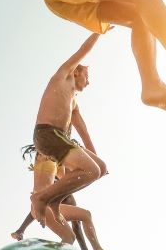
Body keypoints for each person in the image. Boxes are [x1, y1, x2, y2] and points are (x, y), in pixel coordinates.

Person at [29, 33, 109, 229]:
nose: (88, 82)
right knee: (92, 170)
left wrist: (94, 156)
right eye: (87, 77)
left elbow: (83, 130)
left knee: (100, 168)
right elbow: (83, 50)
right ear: (77, 73)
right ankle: (42, 198)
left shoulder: (73, 102)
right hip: (47, 133)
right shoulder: (63, 76)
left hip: (60, 139)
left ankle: (56, 199)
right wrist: (99, 31)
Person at [16, 151, 119, 250]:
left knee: (84, 217)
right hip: (44, 204)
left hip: (42, 205)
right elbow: (68, 174)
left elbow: (67, 176)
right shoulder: (49, 155)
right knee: (69, 237)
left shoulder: (47, 159)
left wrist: (94, 170)